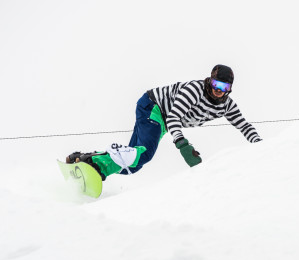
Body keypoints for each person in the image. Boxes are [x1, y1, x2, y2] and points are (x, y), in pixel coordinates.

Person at [66, 64, 262, 180]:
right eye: (215, 84)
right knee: (145, 154)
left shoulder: (227, 105)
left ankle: (86, 159)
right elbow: (174, 116)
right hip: (153, 106)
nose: (219, 90)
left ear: (230, 89)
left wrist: (262, 147)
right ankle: (96, 165)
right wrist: (182, 144)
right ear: (209, 82)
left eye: (224, 86)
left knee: (133, 164)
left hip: (163, 120)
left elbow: (244, 125)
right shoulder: (195, 90)